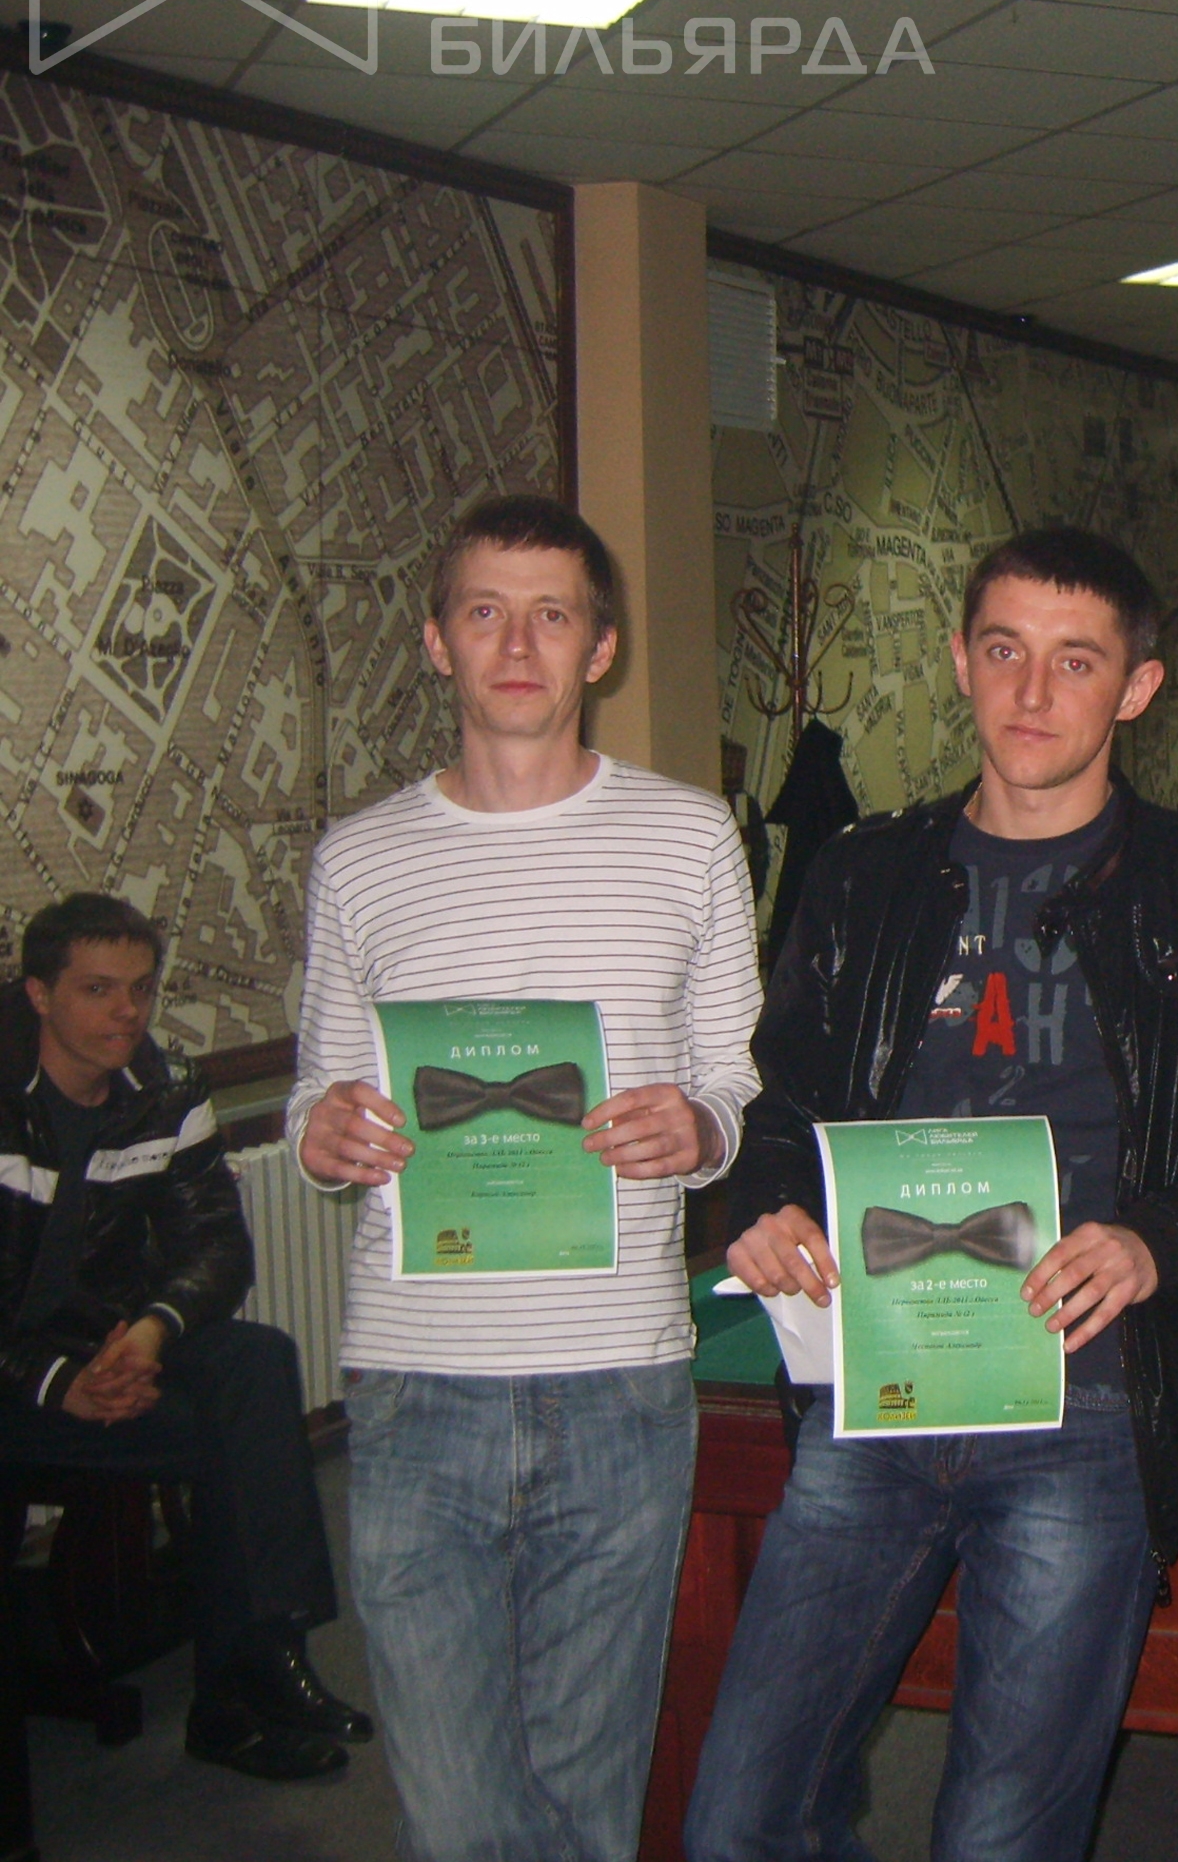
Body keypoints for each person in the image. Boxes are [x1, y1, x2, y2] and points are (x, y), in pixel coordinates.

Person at [687, 527, 1178, 1862]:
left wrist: (1155, 1241)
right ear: (962, 660)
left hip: (1090, 1399)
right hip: (874, 1384)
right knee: (738, 1820)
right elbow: (781, 1104)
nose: (1031, 691)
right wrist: (769, 1200)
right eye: (1006, 650)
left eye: (1075, 661)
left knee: (1000, 1842)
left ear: (1135, 687)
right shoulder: (860, 875)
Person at [287, 495, 761, 1861]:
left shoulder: (691, 838)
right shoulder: (358, 857)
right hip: (414, 1384)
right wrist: (325, 1134)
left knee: (586, 1796)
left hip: (618, 1378)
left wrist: (699, 1129)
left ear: (599, 648)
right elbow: (323, 1092)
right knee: (451, 1806)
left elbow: (734, 1083)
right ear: (437, 640)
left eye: (551, 615)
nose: (516, 643)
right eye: (484, 612)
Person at [1, 895, 364, 1781]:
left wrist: (151, 1334)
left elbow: (216, 1248)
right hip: (17, 1378)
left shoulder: (166, 1091)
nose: (128, 1011)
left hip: (105, 1351)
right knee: (239, 1444)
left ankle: (254, 1668)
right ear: (39, 995)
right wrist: (56, 1382)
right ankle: (245, 1681)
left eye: (140, 988)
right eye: (98, 989)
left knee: (255, 1365)